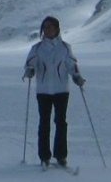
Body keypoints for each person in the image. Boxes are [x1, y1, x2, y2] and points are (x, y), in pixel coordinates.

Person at [22, 15, 84, 168]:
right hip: (43, 91)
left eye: (50, 27)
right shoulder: (36, 48)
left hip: (61, 90)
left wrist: (77, 77)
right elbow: (30, 63)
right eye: (45, 27)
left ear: (57, 29)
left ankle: (61, 155)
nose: (47, 30)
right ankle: (44, 156)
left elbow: (71, 64)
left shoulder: (65, 47)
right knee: (44, 123)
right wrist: (29, 71)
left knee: (61, 122)